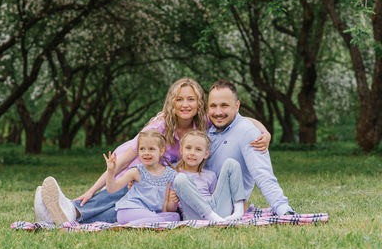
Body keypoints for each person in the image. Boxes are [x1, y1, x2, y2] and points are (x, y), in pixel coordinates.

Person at [34, 78, 271, 224]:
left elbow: (244, 120)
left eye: (191, 99)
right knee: (128, 188)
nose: (185, 104)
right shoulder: (160, 126)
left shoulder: (204, 122)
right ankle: (74, 207)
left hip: (164, 179)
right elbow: (124, 160)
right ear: (172, 102)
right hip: (140, 166)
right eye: (180, 99)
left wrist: (265, 132)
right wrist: (91, 189)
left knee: (132, 207)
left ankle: (66, 214)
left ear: (198, 103)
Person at [204, 79, 295, 216]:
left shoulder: (247, 132)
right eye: (213, 106)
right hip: (199, 198)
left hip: (225, 208)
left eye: (224, 106)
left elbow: (263, 174)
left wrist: (282, 208)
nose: (218, 112)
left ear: (237, 106)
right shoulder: (207, 129)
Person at [172, 130, 246, 221]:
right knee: (180, 178)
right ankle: (211, 217)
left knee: (231, 163)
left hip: (217, 213)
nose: (192, 153)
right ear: (181, 150)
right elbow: (170, 207)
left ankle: (239, 211)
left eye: (198, 149)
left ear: (206, 154)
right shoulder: (174, 175)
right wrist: (174, 201)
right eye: (188, 148)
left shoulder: (210, 175)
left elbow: (216, 197)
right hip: (193, 215)